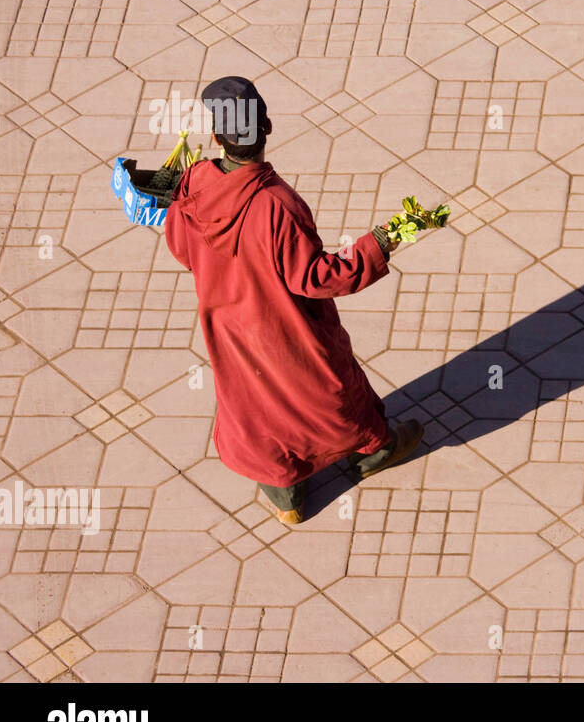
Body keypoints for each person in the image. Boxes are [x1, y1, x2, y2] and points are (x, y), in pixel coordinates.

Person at [164, 76, 423, 524]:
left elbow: (183, 249)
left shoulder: (193, 186)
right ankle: (371, 453)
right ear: (266, 128)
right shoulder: (277, 204)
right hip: (285, 329)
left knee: (254, 406)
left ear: (216, 136)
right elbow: (315, 278)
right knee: (327, 393)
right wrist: (378, 243)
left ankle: (287, 499)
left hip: (229, 328)